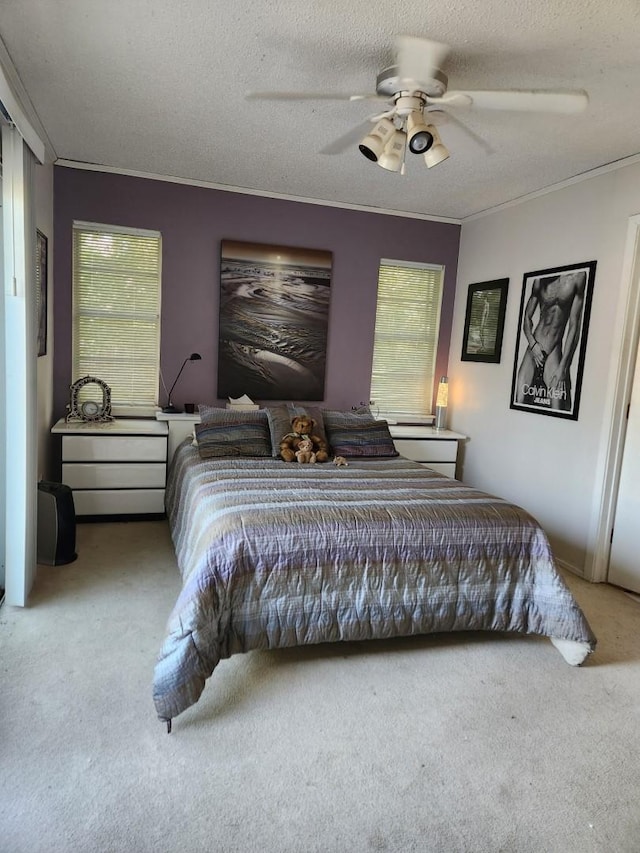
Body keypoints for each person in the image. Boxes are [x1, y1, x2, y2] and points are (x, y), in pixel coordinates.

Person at [515, 270, 587, 411]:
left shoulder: (578, 278)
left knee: (557, 406)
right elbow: (526, 318)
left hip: (554, 348)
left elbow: (574, 326)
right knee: (519, 399)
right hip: (535, 345)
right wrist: (533, 344)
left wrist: (563, 367)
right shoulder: (540, 281)